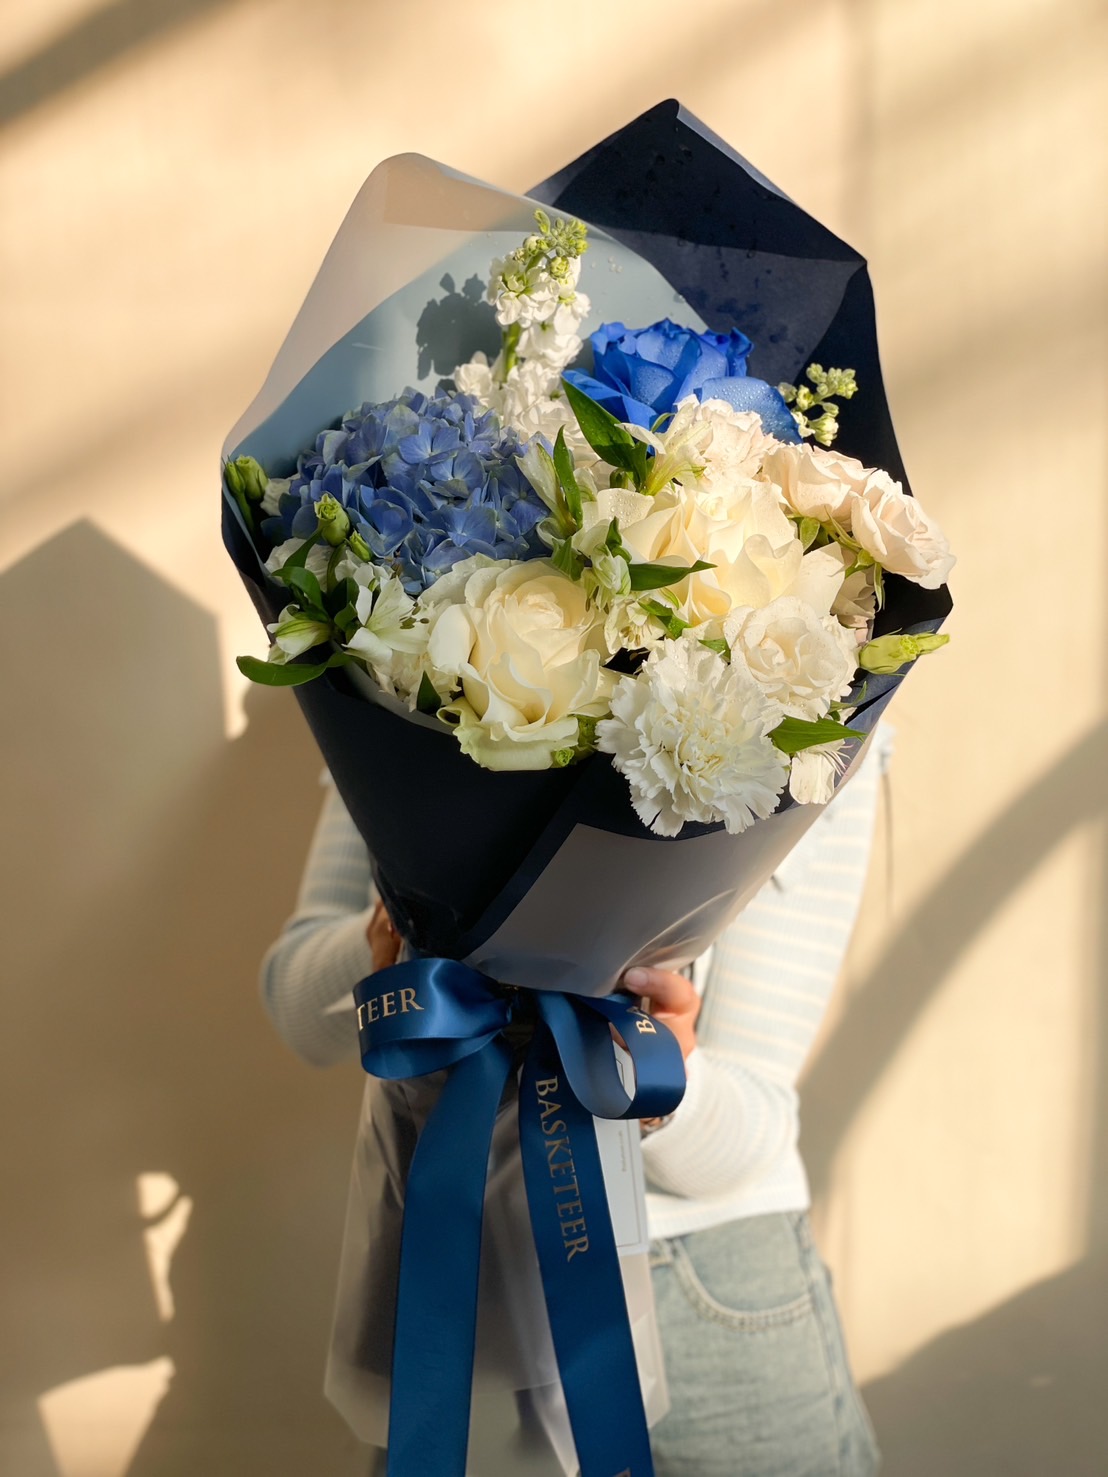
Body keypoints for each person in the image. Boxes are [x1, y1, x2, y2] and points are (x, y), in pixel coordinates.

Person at [261, 732, 891, 1477]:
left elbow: (750, 1132)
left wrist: (660, 1078)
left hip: (700, 1286)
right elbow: (300, 1011)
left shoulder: (805, 716)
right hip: (457, 1266)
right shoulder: (394, 701)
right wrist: (409, 940)